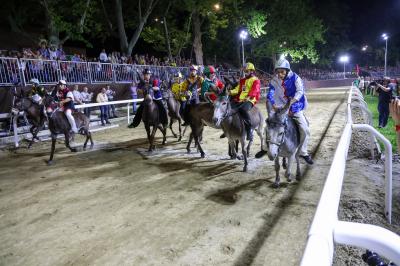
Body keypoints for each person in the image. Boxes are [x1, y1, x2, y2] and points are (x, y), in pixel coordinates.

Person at [258, 58, 313, 165]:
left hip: (295, 105)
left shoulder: (296, 78)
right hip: (279, 106)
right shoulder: (274, 80)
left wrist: (291, 104)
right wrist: (273, 104)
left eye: (282, 72)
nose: (280, 74)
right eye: (278, 72)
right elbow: (271, 92)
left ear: (287, 70)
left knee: (305, 128)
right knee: (268, 125)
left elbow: (300, 92)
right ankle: (265, 148)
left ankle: (303, 152)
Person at [225, 62, 260, 141]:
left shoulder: (256, 80)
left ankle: (249, 130)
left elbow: (255, 90)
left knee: (243, 109)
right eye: (244, 71)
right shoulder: (242, 80)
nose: (245, 72)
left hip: (250, 100)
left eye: (247, 71)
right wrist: (230, 92)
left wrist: (249, 97)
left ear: (251, 71)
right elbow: (237, 89)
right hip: (240, 99)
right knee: (228, 107)